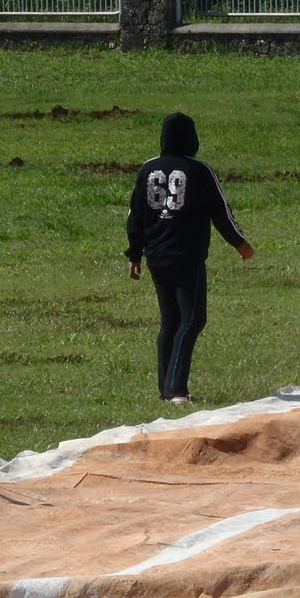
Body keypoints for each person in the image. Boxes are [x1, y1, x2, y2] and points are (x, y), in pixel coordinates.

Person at [125, 112, 254, 405]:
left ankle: (165, 389)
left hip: (156, 254)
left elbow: (135, 215)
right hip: (187, 256)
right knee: (193, 319)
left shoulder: (148, 169)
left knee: (170, 321)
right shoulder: (200, 170)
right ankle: (176, 389)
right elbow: (220, 211)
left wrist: (134, 253)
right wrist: (239, 242)